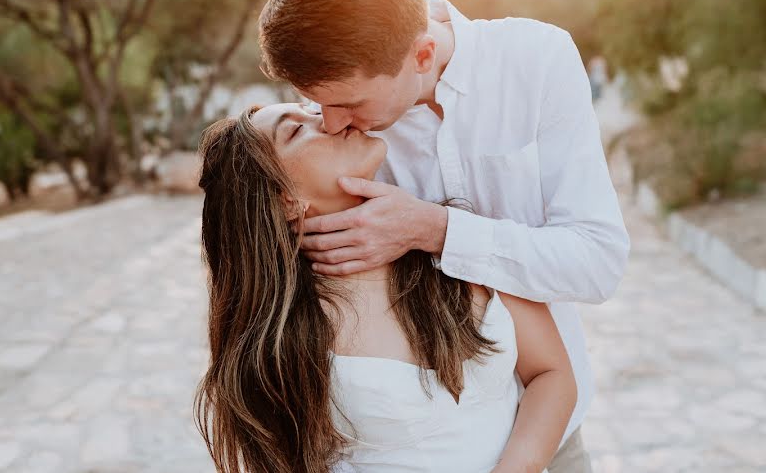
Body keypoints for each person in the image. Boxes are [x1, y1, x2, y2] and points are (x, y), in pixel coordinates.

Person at [258, 0, 631, 472]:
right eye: (317, 105)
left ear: (423, 54)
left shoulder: (538, 61)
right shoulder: (350, 137)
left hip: (549, 426)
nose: (330, 122)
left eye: (349, 103)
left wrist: (435, 228)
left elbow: (597, 263)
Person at [194, 104, 577, 473]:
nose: (327, 120)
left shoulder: (453, 240)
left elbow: (551, 372)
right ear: (287, 201)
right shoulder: (284, 335)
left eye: (312, 112)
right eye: (297, 129)